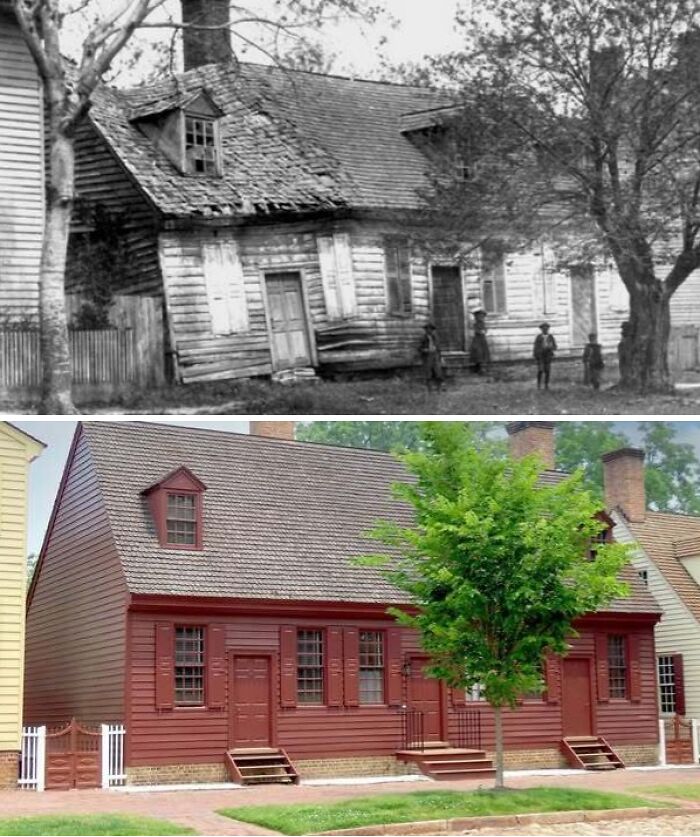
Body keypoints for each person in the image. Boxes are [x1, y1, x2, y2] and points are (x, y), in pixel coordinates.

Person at [419, 321, 444, 390]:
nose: (429, 331)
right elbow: (419, 348)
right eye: (427, 329)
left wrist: (440, 357)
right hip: (427, 356)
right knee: (428, 371)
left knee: (438, 370)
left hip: (435, 355)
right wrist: (425, 350)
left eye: (431, 329)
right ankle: (429, 387)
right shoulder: (423, 338)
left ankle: (439, 387)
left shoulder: (435, 338)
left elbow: (438, 348)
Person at [533, 322, 557, 390]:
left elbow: (555, 346)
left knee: (547, 371)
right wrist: (536, 356)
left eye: (546, 329)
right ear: (541, 329)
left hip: (548, 355)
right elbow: (535, 347)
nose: (545, 330)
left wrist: (551, 347)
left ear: (548, 329)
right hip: (540, 356)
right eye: (543, 329)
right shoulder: (539, 337)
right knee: (540, 370)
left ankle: (546, 385)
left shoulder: (550, 337)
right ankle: (539, 385)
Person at [469, 309, 491, 374]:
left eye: (482, 316)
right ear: (476, 317)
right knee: (478, 352)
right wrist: (480, 331)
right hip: (477, 339)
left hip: (482, 339)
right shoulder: (475, 324)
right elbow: (476, 330)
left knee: (483, 353)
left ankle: (482, 368)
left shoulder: (483, 323)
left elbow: (485, 330)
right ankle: (478, 367)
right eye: (479, 316)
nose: (481, 318)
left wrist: (484, 331)